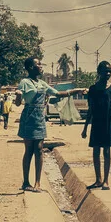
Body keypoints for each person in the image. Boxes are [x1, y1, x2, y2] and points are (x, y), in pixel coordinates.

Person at [17, 57, 84, 192]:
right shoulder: (24, 82)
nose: (41, 66)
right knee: (29, 150)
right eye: (38, 64)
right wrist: (18, 95)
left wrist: (76, 91)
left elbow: (58, 93)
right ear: (30, 67)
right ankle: (25, 182)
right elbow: (18, 103)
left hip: (39, 118)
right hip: (28, 117)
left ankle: (37, 183)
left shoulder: (42, 83)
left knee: (39, 149)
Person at [82, 61, 111, 190]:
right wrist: (85, 128)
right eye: (105, 71)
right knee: (96, 151)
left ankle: (106, 180)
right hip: (96, 123)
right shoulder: (93, 89)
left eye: (110, 71)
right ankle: (98, 179)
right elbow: (90, 110)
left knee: (107, 151)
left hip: (108, 123)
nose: (108, 74)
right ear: (99, 72)